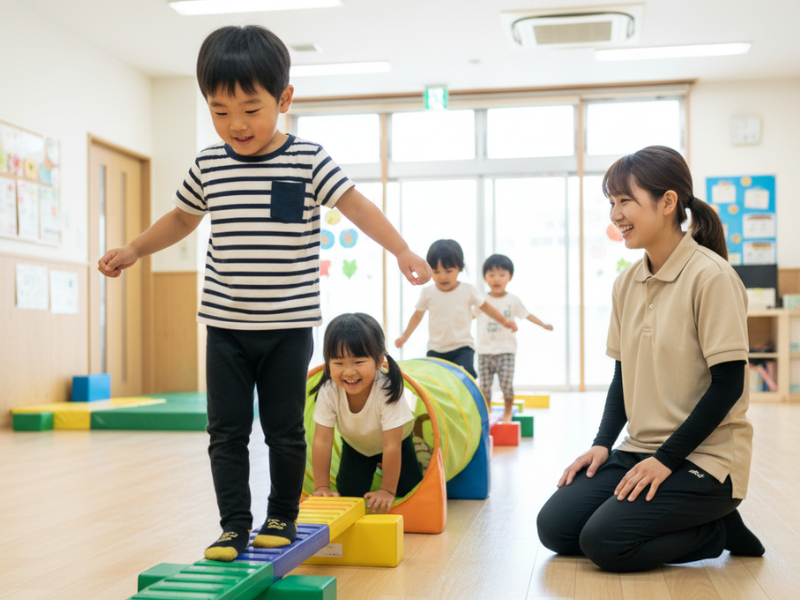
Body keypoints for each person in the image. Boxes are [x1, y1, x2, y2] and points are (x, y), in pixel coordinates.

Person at [97, 25, 431, 562]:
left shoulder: (307, 160)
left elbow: (357, 206)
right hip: (225, 326)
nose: (236, 124)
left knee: (283, 431)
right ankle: (232, 526)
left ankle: (281, 514)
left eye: (250, 109)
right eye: (220, 110)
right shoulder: (209, 164)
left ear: (284, 99)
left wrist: (402, 250)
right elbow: (182, 218)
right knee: (225, 433)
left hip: (288, 326)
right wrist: (136, 249)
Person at [536, 146, 764, 573]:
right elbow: (624, 375)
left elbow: (728, 384)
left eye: (625, 201)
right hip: (639, 450)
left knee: (605, 543)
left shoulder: (711, 277)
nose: (615, 215)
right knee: (556, 530)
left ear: (668, 202)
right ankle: (695, 515)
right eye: (611, 203)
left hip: (705, 459)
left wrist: (666, 460)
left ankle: (718, 529)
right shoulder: (627, 282)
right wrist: (602, 443)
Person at [310, 313, 423, 514]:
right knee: (349, 493)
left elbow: (391, 445)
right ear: (327, 362)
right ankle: (374, 466)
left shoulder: (387, 389)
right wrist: (321, 487)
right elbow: (322, 441)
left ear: (379, 360)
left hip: (397, 442)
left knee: (409, 489)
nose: (349, 372)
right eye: (338, 363)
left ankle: (387, 470)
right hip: (357, 446)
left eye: (358, 362)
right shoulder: (329, 391)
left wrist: (387, 490)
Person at [395, 239, 517, 379]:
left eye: (448, 271)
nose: (442, 276)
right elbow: (417, 316)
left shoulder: (468, 290)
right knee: (435, 380)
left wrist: (504, 321)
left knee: (464, 376)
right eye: (436, 271)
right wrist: (405, 336)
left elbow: (486, 307)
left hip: (462, 347)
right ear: (428, 269)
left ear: (459, 268)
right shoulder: (428, 293)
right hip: (436, 349)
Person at [476, 254, 553, 422]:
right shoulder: (482, 301)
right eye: (491, 275)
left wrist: (543, 324)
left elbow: (527, 315)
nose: (497, 279)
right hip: (484, 351)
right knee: (484, 388)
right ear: (485, 278)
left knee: (506, 385)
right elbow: (468, 315)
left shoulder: (513, 300)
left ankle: (507, 411)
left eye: (502, 275)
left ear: (510, 277)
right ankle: (486, 414)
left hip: (506, 350)